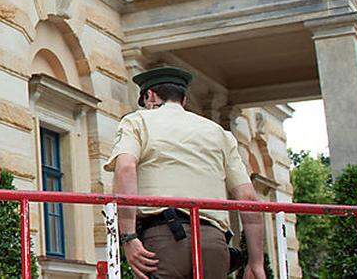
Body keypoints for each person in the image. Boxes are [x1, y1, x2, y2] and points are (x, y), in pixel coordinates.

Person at [107, 66, 266, 279]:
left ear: (149, 96)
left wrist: (128, 236)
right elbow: (247, 197)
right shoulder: (219, 133)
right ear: (183, 100)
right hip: (213, 242)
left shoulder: (137, 121)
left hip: (163, 239)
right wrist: (256, 263)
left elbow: (125, 168)